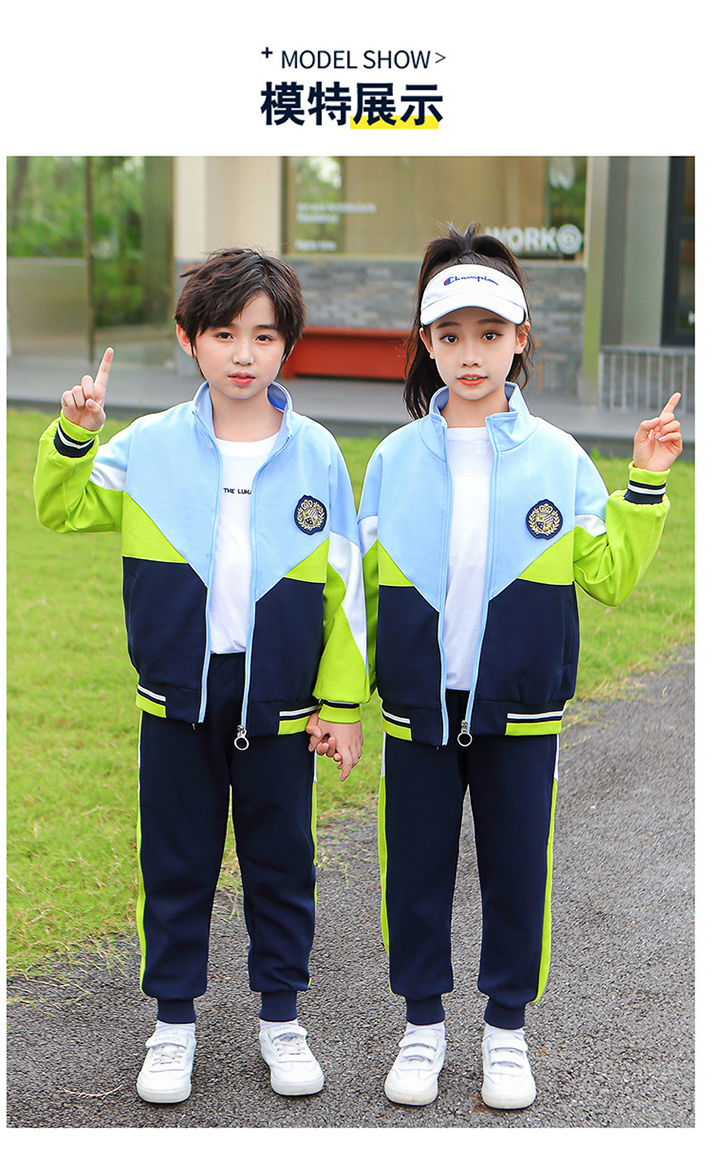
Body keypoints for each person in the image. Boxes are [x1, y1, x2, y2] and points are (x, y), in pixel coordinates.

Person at [353, 223, 682, 1110]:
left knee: (517, 872)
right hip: (418, 714)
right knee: (414, 873)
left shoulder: (560, 459)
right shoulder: (391, 461)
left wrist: (646, 482)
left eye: (490, 334)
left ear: (521, 339)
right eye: (451, 335)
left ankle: (506, 1031)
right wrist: (342, 699)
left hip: (521, 715)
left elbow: (608, 575)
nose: (471, 354)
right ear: (427, 343)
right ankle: (422, 1027)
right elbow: (355, 594)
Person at [33, 248, 368, 1104]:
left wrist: (340, 703)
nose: (244, 354)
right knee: (176, 863)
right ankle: (172, 1025)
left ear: (287, 344)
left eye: (264, 335)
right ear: (190, 339)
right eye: (224, 334)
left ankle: (281, 1019)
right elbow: (61, 506)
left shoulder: (317, 454)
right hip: (177, 703)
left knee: (281, 865)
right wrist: (76, 434)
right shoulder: (147, 446)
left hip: (280, 708)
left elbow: (346, 590)